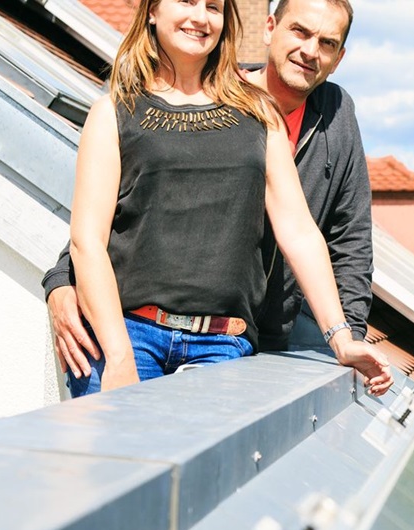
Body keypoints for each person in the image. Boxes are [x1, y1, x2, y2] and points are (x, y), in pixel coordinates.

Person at [43, 0, 380, 386]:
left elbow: (307, 232)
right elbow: (92, 236)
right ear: (152, 11)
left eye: (214, 7)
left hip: (228, 340)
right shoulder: (113, 112)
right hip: (129, 333)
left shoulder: (261, 113)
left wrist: (343, 338)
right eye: (187, 2)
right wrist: (110, 346)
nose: (201, 17)